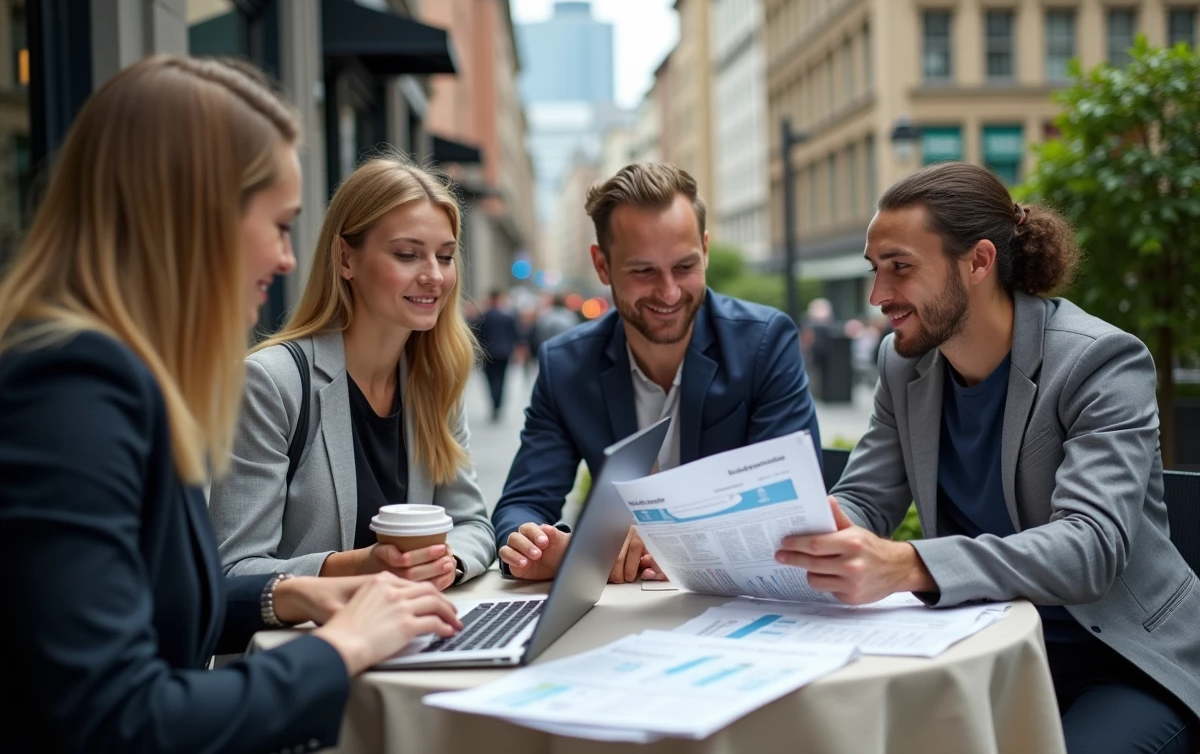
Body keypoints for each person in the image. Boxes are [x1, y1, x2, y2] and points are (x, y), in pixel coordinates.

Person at [0, 56, 461, 753]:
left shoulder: (127, 377)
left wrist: (297, 595)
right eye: (279, 225)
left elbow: (152, 611)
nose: (284, 259)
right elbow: (117, 717)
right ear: (193, 218)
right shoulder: (69, 391)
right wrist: (340, 649)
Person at [775, 162, 1199, 752]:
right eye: (876, 271)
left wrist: (907, 564)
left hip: (1124, 662)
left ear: (978, 262)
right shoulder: (905, 364)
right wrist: (807, 528)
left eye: (900, 268)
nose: (879, 296)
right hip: (987, 650)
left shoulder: (1100, 362)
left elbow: (1089, 546)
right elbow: (866, 498)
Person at [493, 163, 822, 584]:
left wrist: (669, 542)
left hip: (744, 600)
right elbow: (521, 504)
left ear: (704, 249)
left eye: (684, 267)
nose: (668, 293)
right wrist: (541, 547)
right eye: (643, 271)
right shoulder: (565, 365)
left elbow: (790, 505)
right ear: (602, 266)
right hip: (623, 609)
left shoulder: (764, 343)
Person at [210, 154, 496, 591]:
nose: (434, 276)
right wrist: (362, 567)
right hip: (303, 650)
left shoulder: (436, 378)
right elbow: (232, 572)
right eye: (407, 254)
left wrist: (446, 562)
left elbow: (472, 523)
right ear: (346, 258)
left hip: (413, 639)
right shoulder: (270, 383)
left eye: (445, 255)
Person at [474, 289, 520, 421]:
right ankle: (498, 404)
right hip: (504, 353)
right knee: (502, 379)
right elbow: (514, 335)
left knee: (491, 379)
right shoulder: (508, 316)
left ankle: (495, 404)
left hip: (488, 353)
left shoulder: (484, 316)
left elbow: (479, 336)